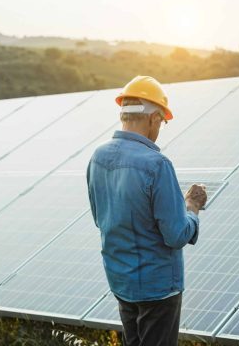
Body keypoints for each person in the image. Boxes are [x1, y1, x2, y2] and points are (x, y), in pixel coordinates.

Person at [87, 75, 207, 346]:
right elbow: (176, 235)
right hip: (158, 288)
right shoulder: (156, 164)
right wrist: (192, 207)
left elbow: (100, 219)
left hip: (121, 281)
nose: (160, 128)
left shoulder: (98, 157)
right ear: (153, 118)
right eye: (162, 122)